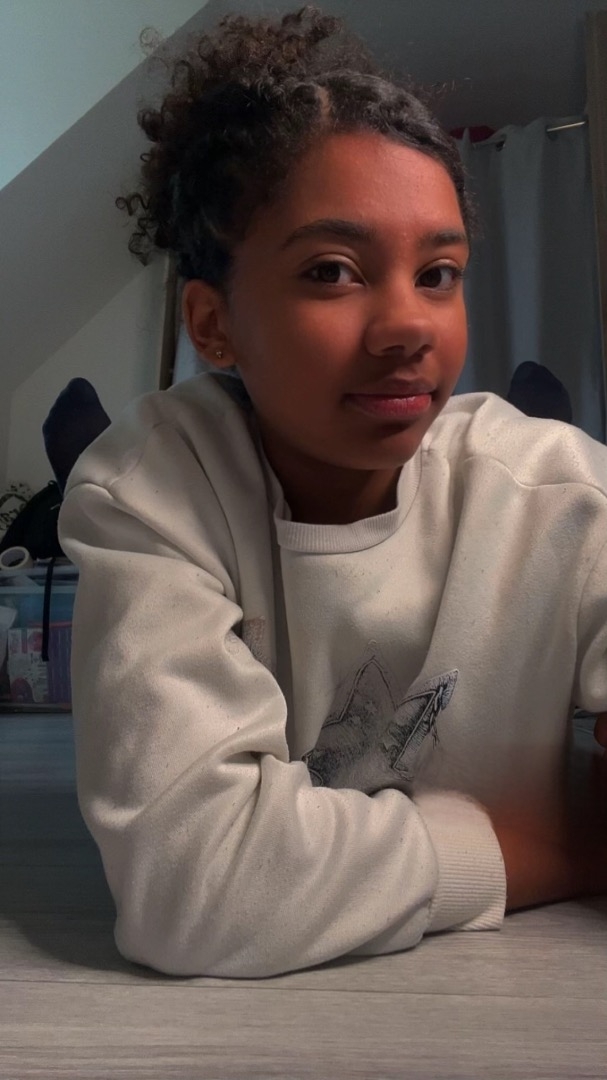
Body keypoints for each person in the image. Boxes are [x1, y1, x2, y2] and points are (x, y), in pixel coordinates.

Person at [58, 6, 607, 979]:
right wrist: (550, 848)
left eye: (438, 273)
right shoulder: (150, 493)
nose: (407, 326)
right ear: (213, 324)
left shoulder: (556, 491)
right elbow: (196, 887)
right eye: (332, 271)